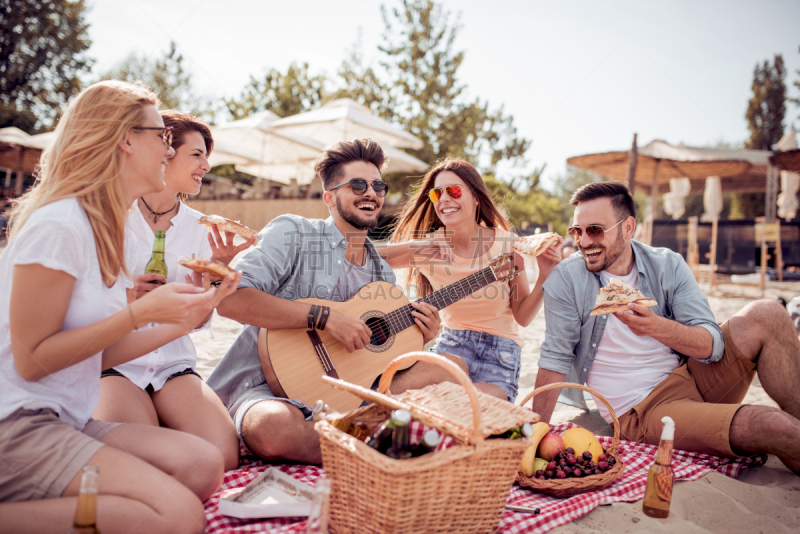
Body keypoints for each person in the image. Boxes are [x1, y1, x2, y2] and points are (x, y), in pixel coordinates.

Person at [0, 81, 240, 533]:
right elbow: (32, 363)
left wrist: (184, 317)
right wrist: (133, 314)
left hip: (62, 415)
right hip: (16, 423)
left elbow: (95, 355)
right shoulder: (60, 224)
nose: (168, 151)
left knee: (204, 465)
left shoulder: (97, 226)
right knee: (180, 516)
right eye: (161, 136)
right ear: (124, 139)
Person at [208, 138, 466, 465]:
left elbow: (382, 359)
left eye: (378, 186)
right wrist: (324, 316)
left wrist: (421, 337)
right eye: (357, 184)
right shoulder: (294, 233)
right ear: (329, 197)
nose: (370, 192)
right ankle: (380, 451)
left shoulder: (382, 276)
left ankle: (358, 442)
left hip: (349, 392)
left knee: (451, 369)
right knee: (272, 429)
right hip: (269, 387)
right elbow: (230, 300)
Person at [533, 181, 800, 472]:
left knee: (769, 312)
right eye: (577, 231)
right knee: (772, 424)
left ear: (627, 227)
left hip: (694, 376)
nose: (583, 241)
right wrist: (536, 436)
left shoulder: (667, 263)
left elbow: (712, 344)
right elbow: (555, 358)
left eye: (595, 230)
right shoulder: (566, 279)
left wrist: (656, 327)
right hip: (645, 410)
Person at [94, 110, 253, 471]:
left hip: (172, 365)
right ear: (165, 151)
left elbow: (196, 324)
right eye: (197, 155)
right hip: (116, 362)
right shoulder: (112, 216)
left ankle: (162, 421)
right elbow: (80, 305)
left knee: (226, 456)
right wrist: (127, 295)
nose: (207, 165)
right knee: (142, 459)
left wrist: (214, 280)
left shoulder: (203, 229)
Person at [385, 158, 562, 402]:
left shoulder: (507, 244)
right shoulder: (432, 247)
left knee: (472, 409)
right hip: (451, 348)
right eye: (437, 194)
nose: (445, 199)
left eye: (454, 191)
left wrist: (545, 276)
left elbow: (522, 316)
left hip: (499, 355)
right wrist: (421, 244)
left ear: (476, 196)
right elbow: (362, 256)